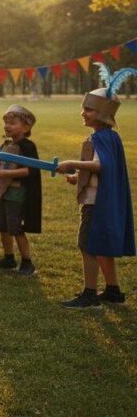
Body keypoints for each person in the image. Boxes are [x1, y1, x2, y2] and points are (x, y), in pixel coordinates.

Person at [56, 67, 135, 308]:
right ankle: (113, 291)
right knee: (100, 247)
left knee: (87, 246)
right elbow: (100, 169)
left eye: (88, 109)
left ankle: (89, 295)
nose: (83, 113)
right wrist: (78, 176)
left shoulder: (101, 137)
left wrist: (71, 163)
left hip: (96, 203)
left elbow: (101, 166)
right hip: (101, 197)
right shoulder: (111, 137)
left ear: (103, 113)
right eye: (84, 108)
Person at [0, 105, 41, 276]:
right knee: (2, 226)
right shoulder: (6, 145)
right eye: (6, 122)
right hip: (2, 193)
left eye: (12, 123)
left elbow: (30, 170)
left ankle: (27, 262)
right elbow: (2, 167)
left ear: (25, 128)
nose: (7, 126)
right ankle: (9, 258)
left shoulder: (27, 146)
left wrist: (7, 173)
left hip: (17, 194)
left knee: (15, 228)